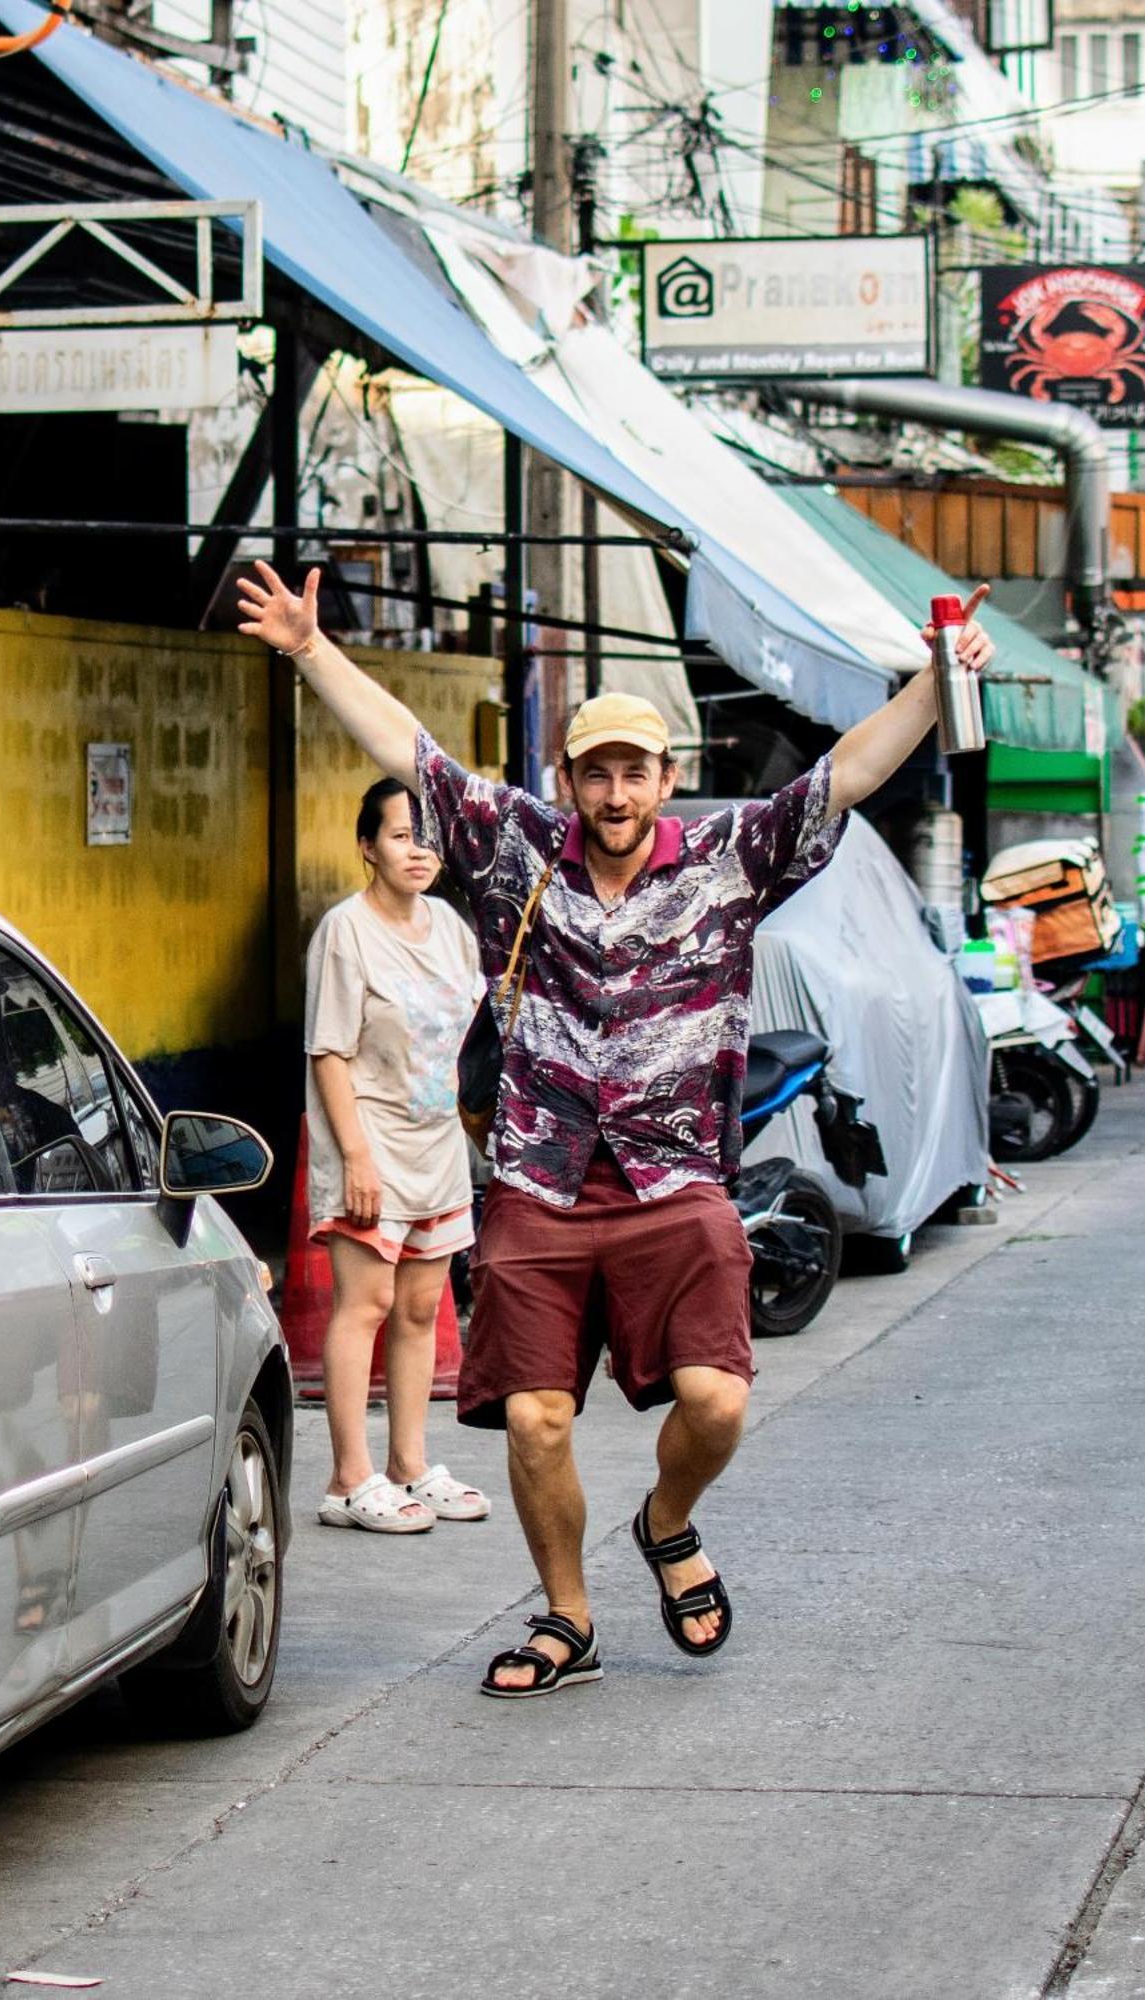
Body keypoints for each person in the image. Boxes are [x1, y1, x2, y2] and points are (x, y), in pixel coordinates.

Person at [239, 558, 993, 1692]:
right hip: (541, 1180)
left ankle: (668, 1522)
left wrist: (936, 683)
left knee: (716, 1398)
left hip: (675, 1175)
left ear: (665, 776)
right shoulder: (517, 848)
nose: (615, 796)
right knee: (537, 1419)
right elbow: (408, 749)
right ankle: (568, 1617)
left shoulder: (730, 858)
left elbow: (846, 775)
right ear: (569, 778)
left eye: (634, 773)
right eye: (595, 775)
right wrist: (309, 649)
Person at [305, 775, 490, 1535]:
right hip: (370, 1142)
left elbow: (476, 1033)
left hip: (438, 1144)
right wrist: (354, 1158)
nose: (417, 850)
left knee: (419, 1308)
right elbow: (328, 1051)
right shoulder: (345, 932)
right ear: (367, 848)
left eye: (427, 836)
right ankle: (349, 1479)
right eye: (399, 835)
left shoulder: (449, 925)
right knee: (367, 1306)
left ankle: (410, 1464)